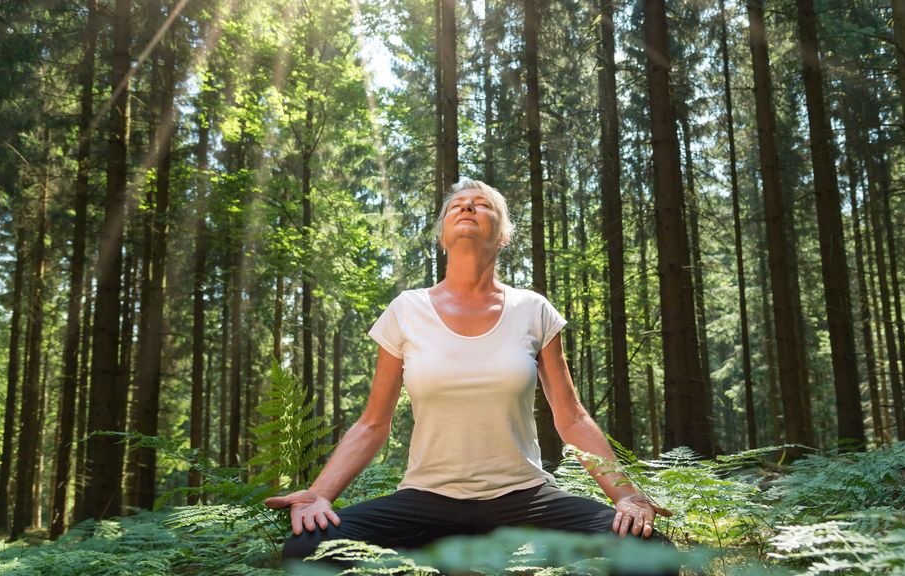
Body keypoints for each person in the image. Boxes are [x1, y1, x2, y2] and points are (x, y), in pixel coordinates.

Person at [267, 179, 676, 573]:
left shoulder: (532, 309)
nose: (467, 206)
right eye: (456, 205)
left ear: (502, 236)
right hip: (427, 499)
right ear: (443, 235)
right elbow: (373, 424)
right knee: (307, 549)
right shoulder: (406, 310)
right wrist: (320, 494)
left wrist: (628, 496)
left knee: (648, 550)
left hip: (525, 496)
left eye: (482, 204)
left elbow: (571, 418)